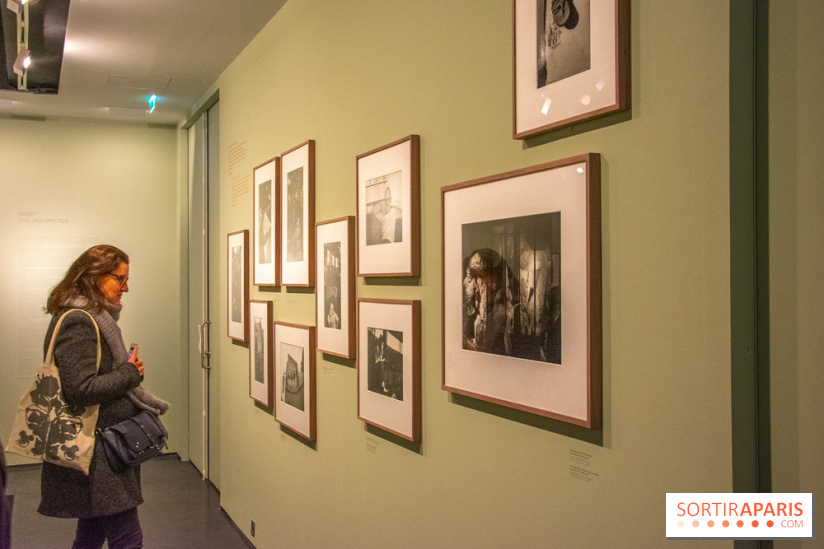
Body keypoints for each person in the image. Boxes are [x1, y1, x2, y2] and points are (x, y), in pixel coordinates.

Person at [39, 244, 168, 549]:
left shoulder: (91, 316)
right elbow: (80, 389)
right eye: (119, 279)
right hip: (98, 456)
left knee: (92, 533)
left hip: (103, 450)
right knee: (127, 538)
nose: (126, 287)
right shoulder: (79, 320)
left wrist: (126, 372)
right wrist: (129, 373)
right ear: (95, 276)